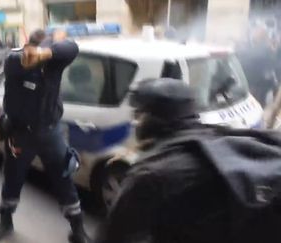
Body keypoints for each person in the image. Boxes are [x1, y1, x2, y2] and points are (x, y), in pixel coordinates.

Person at [95, 78, 281, 243]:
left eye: (138, 115)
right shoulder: (218, 138)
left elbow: (114, 235)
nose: (136, 122)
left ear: (151, 120)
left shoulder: (150, 175)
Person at [0, 29, 90, 243]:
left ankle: (77, 229)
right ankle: (5, 221)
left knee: (64, 178)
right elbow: (15, 61)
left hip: (50, 132)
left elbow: (72, 48)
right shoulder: (14, 61)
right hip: (20, 134)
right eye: (36, 51)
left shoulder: (53, 63)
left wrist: (47, 54)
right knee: (12, 179)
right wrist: (33, 55)